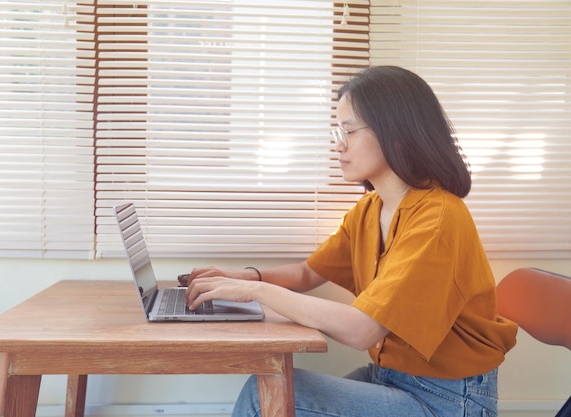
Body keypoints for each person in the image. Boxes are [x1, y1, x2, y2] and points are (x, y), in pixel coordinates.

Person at [185, 65, 518, 417]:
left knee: (263, 394)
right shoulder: (371, 208)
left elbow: (362, 330)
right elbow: (307, 273)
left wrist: (256, 293)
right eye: (336, 132)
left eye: (349, 131)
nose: (338, 145)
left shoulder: (437, 220)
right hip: (391, 378)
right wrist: (243, 277)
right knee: (275, 389)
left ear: (396, 133)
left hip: (447, 401)